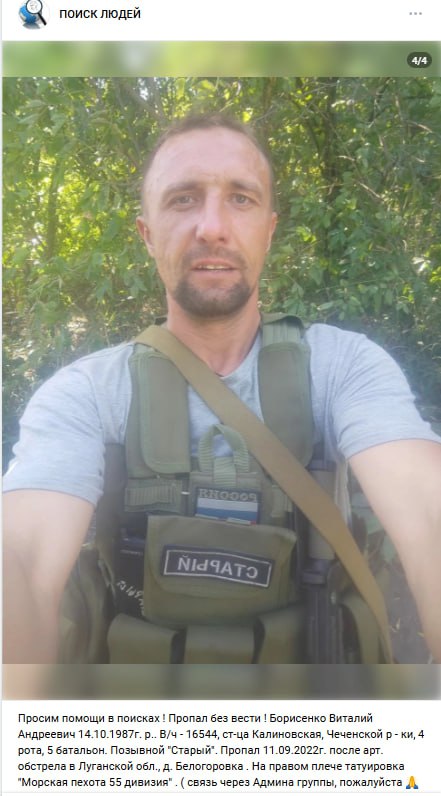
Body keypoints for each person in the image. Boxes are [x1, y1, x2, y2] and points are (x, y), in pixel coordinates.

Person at [3, 113, 441, 664]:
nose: (211, 226)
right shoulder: (86, 392)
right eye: (183, 199)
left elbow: (428, 513)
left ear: (269, 229)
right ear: (147, 234)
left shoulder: (344, 366)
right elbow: (21, 560)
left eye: (241, 198)